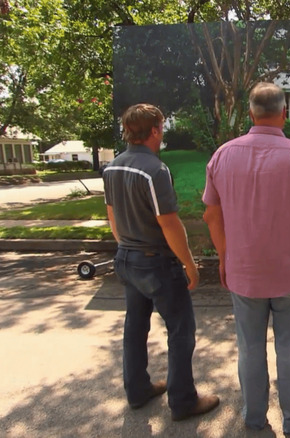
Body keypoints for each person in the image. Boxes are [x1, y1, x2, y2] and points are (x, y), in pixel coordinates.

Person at [202, 82, 290, 434]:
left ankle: (254, 416)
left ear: (250, 113)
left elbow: (211, 215)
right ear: (284, 112)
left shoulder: (223, 155)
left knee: (249, 347)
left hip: (243, 272)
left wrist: (224, 257)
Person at [103, 103, 219, 421]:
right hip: (156, 262)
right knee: (181, 329)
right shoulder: (155, 170)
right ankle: (183, 401)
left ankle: (137, 389)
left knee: (135, 326)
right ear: (155, 130)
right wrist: (190, 264)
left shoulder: (112, 167)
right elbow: (169, 223)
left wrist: (126, 247)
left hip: (127, 257)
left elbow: (112, 216)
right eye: (162, 127)